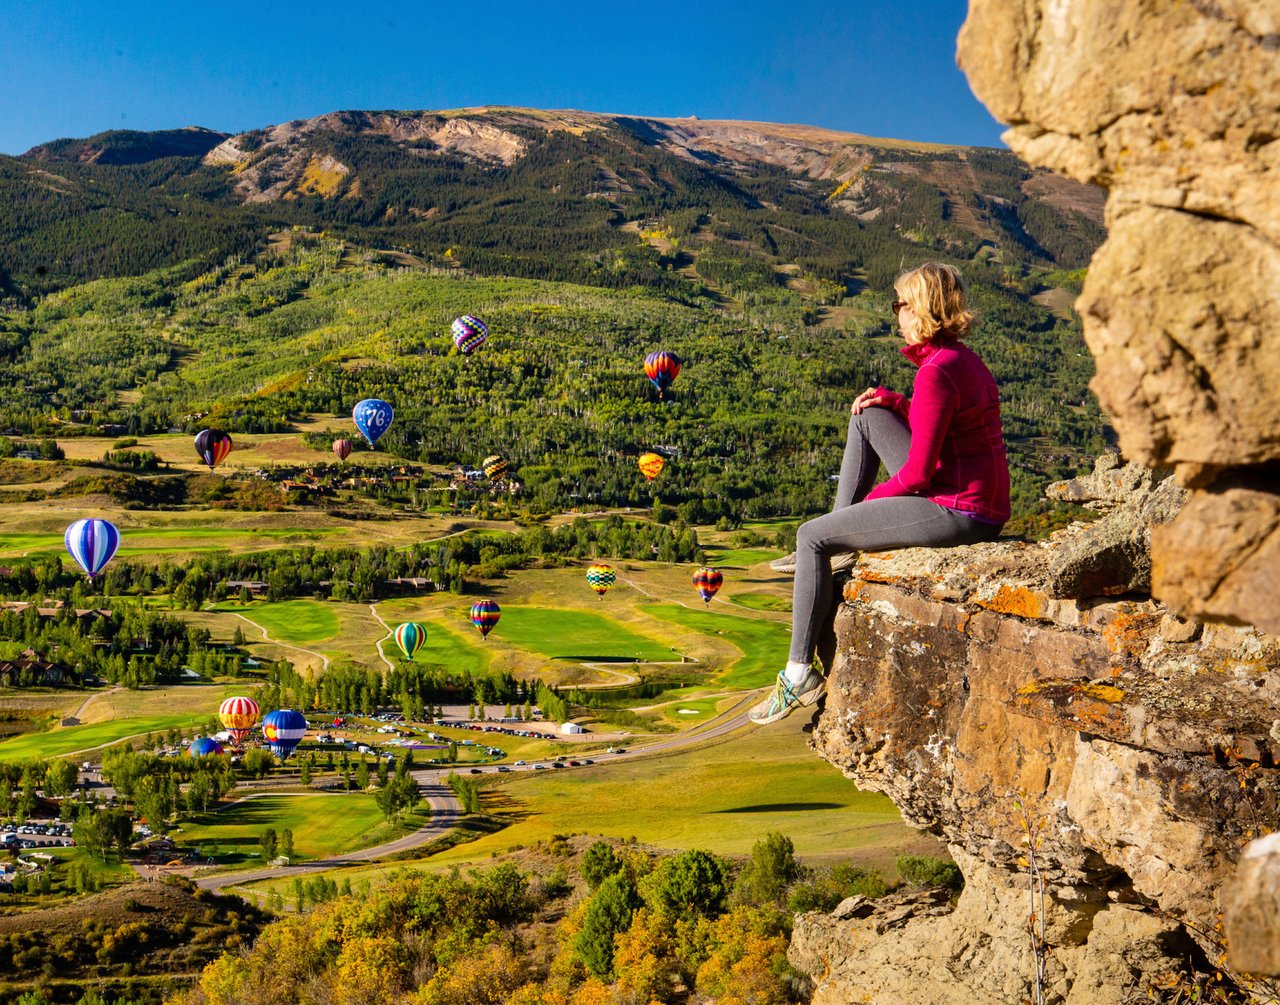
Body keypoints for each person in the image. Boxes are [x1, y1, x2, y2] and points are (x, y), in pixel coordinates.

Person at [750, 262, 1010, 725]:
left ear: (924, 309)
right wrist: (895, 402)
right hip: (975, 500)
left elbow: (917, 474)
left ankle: (797, 675)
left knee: (812, 535)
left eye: (902, 304)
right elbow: (940, 429)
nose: (897, 314)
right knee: (866, 415)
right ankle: (836, 545)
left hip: (958, 509)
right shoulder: (956, 359)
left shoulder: (936, 370)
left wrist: (867, 512)